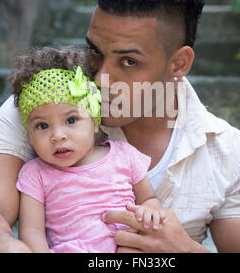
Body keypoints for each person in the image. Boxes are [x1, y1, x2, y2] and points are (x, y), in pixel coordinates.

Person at [0, 0, 240, 253]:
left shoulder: (231, 153)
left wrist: (185, 250)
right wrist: (4, 246)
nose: (101, 79)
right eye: (95, 52)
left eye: (128, 62)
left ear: (178, 64)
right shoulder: (43, 109)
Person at [10, 48, 164, 252]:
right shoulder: (35, 174)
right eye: (42, 126)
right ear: (29, 133)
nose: (58, 135)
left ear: (94, 122)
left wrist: (149, 211)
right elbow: (32, 232)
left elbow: (148, 199)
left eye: (71, 120)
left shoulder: (124, 156)